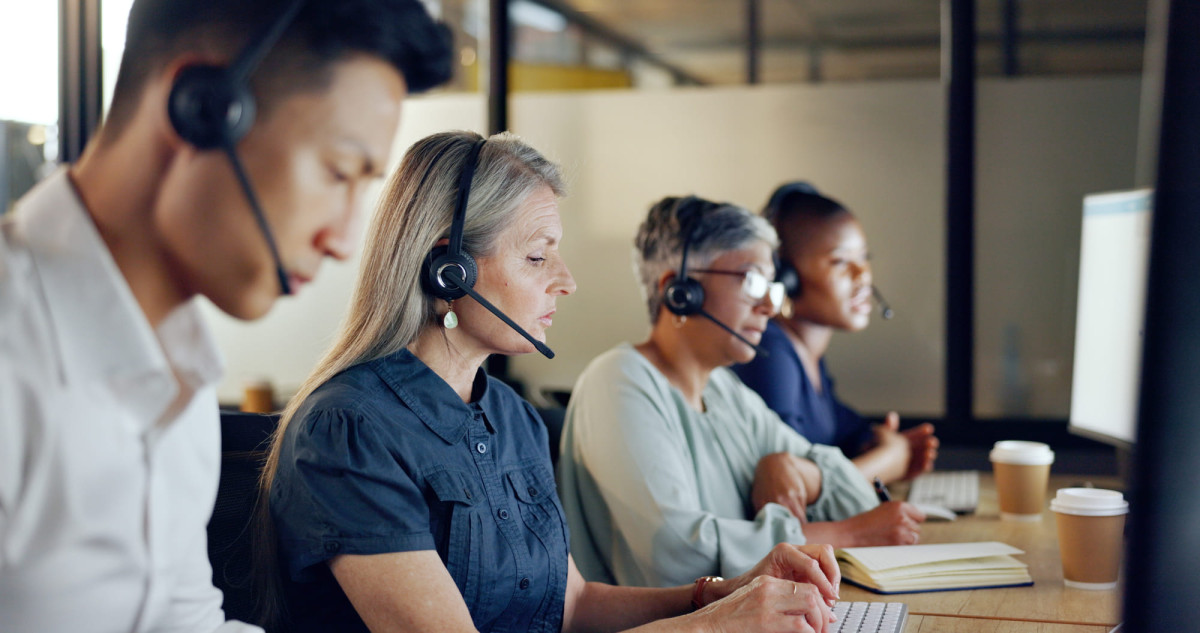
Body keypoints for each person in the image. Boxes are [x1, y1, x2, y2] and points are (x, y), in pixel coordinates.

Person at [261, 131, 845, 633]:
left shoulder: (511, 417)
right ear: (450, 268)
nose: (566, 282)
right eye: (538, 258)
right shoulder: (349, 430)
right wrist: (714, 627)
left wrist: (721, 594)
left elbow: (572, 604)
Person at [0, 1, 451, 631]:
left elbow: (181, 621)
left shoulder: (179, 368)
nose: (345, 240)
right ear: (202, 106)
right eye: (339, 172)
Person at [558, 196, 926, 589]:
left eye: (772, 285)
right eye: (752, 281)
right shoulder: (618, 381)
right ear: (679, 290)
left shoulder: (724, 390)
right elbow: (677, 558)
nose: (770, 305)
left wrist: (798, 468)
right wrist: (845, 536)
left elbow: (858, 500)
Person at [731, 182, 938, 485]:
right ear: (785, 277)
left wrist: (876, 442)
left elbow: (842, 428)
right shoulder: (769, 353)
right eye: (841, 261)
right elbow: (790, 486)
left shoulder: (808, 356)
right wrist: (887, 461)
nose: (863, 275)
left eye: (865, 257)